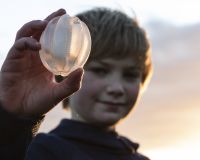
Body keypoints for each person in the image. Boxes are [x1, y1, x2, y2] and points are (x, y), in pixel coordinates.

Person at [0, 7, 152, 160]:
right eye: (100, 70)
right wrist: (13, 120)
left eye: (130, 74)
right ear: (65, 70)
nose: (117, 88)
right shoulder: (40, 151)